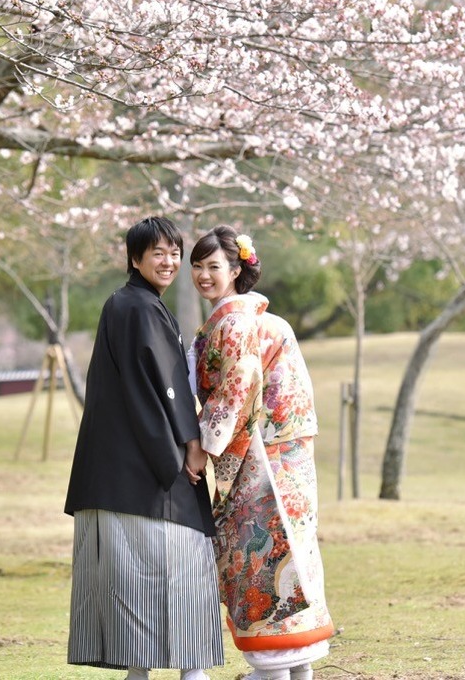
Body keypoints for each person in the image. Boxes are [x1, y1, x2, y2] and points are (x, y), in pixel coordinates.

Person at [64, 216, 224, 679]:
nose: (170, 261)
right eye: (158, 253)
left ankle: (142, 673)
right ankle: (190, 673)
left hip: (114, 476)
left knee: (135, 589)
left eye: (175, 253)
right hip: (145, 477)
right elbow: (163, 388)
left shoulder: (127, 304)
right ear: (135, 258)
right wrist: (189, 446)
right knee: (177, 571)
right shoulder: (139, 308)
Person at [188, 225, 334, 680]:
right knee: (295, 555)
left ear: (236, 269)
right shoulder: (267, 320)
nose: (203, 275)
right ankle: (297, 666)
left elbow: (234, 393)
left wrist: (204, 449)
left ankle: (272, 669)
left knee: (262, 561)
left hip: (260, 461)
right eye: (197, 266)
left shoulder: (232, 322)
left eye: (213, 266)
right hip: (290, 460)